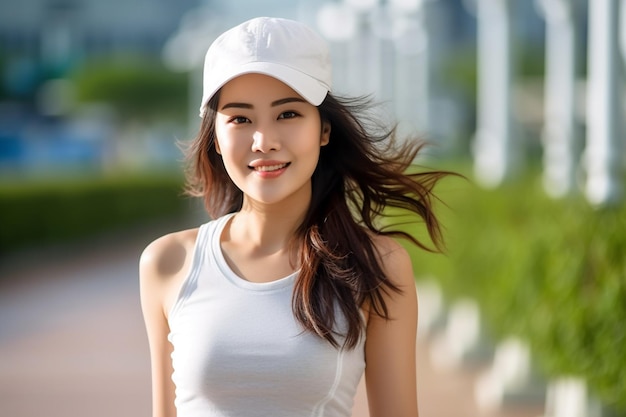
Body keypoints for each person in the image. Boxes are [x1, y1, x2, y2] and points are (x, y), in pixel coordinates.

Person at [140, 16, 452, 417]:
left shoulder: (379, 265)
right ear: (215, 137)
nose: (264, 140)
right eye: (240, 118)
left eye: (287, 114)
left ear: (323, 129)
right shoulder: (168, 263)